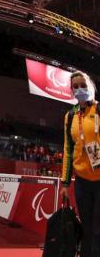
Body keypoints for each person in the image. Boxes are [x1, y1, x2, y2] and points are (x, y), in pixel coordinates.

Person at [60, 71, 100, 257]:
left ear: (90, 86)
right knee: (86, 226)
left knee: (97, 228)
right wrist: (65, 183)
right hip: (82, 182)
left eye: (82, 85)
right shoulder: (70, 117)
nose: (79, 89)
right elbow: (68, 150)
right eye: (75, 86)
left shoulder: (99, 110)